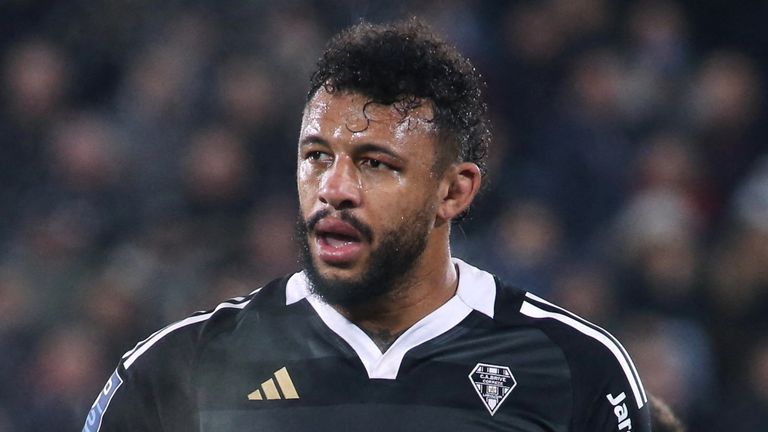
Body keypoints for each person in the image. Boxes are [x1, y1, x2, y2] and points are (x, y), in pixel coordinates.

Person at [83, 20, 651, 432]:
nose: (334, 188)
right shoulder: (182, 366)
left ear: (453, 191)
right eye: (316, 156)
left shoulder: (575, 368)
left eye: (376, 164)